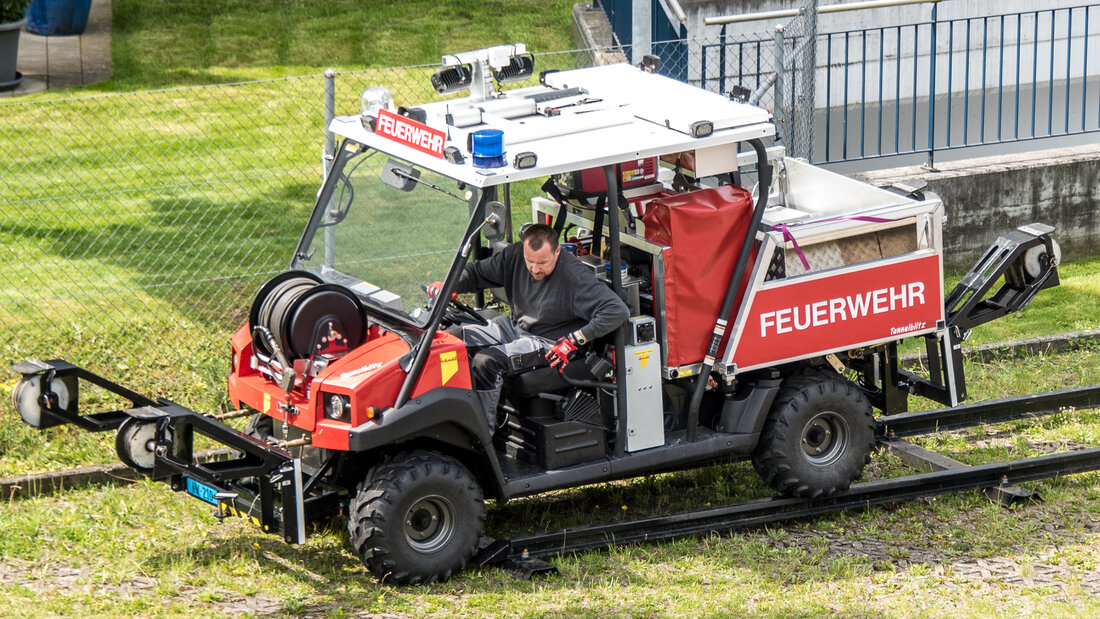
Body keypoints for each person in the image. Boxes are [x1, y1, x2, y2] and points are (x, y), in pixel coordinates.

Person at [428, 223, 629, 425]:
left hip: (547, 342)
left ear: (557, 251)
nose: (534, 268)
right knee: (449, 339)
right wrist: (449, 285)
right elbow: (476, 273)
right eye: (529, 261)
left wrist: (575, 339)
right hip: (515, 327)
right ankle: (447, 413)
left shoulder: (575, 278)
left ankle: (481, 432)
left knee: (486, 362)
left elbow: (617, 311)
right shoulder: (515, 255)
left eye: (542, 262)